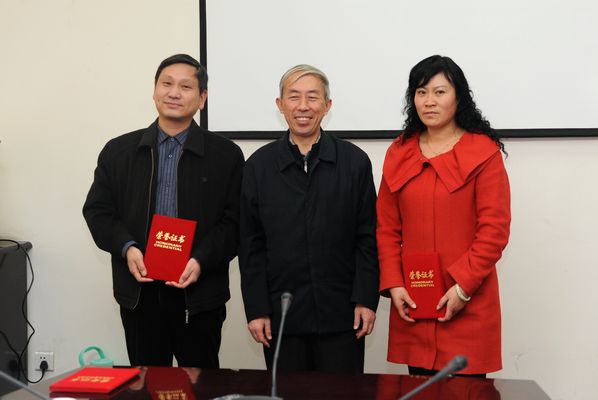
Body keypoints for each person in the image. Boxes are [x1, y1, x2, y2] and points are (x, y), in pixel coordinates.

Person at [83, 54, 244, 368]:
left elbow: (235, 222)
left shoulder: (226, 155)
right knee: (146, 382)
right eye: (166, 84)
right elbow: (99, 211)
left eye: (186, 86)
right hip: (139, 294)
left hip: (199, 296)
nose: (174, 93)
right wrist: (127, 248)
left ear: (202, 98)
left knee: (200, 384)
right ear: (154, 90)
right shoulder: (119, 151)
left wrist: (201, 259)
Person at [239, 64, 379, 373]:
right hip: (281, 317)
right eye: (294, 97)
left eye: (313, 97)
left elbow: (367, 238)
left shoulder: (354, 162)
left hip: (342, 314)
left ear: (327, 105)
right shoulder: (258, 166)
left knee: (343, 395)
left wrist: (366, 299)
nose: (303, 106)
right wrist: (257, 308)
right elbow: (251, 246)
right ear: (280, 105)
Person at [376, 55, 511, 376]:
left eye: (439, 92)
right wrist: (394, 284)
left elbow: (494, 231)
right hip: (414, 302)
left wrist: (463, 287)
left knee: (467, 393)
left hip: (468, 302)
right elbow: (386, 228)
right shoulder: (399, 151)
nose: (429, 101)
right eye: (421, 92)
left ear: (458, 97)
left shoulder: (483, 152)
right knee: (419, 388)